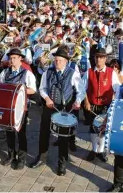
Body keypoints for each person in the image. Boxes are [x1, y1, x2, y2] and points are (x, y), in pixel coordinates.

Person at [29, 48, 85, 176]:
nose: (57, 62)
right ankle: (41, 158)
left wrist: (78, 101)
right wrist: (47, 98)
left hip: (65, 110)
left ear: (66, 61)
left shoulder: (73, 73)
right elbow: (42, 88)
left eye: (59, 60)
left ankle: (62, 163)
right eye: (56, 60)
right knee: (44, 133)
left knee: (63, 138)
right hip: (49, 108)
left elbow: (81, 90)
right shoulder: (47, 72)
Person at [0, 48, 37, 170]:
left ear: (20, 58)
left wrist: (20, 90)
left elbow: (33, 89)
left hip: (21, 108)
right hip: (8, 107)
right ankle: (11, 155)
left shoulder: (27, 73)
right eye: (11, 58)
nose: (12, 60)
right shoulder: (4, 72)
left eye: (15, 57)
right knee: (9, 132)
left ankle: (21, 158)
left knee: (21, 133)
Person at [84, 47, 120, 162]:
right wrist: (86, 101)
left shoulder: (111, 72)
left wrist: (115, 102)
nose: (98, 59)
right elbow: (82, 88)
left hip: (105, 105)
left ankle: (101, 150)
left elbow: (117, 88)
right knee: (93, 128)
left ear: (105, 59)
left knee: (103, 129)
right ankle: (94, 149)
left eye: (101, 57)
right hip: (92, 105)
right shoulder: (89, 72)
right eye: (97, 57)